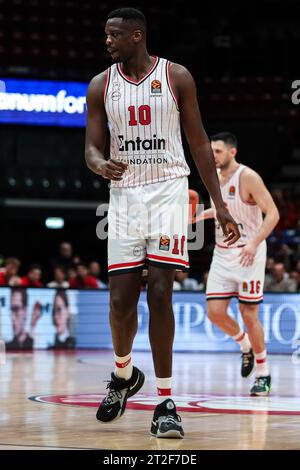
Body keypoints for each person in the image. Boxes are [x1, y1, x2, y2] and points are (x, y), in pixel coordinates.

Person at [85, 8, 240, 438]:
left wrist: (219, 203)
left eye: (114, 35)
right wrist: (101, 165)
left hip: (169, 191)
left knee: (159, 292)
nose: (108, 42)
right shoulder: (100, 85)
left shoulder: (177, 77)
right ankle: (123, 376)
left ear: (138, 35)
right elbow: (91, 149)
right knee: (119, 300)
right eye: (105, 35)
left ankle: (165, 401)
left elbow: (198, 142)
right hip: (124, 198)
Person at [197, 132, 279, 396]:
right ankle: (244, 345)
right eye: (212, 151)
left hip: (248, 252)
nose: (213, 156)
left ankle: (263, 373)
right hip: (222, 253)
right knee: (214, 312)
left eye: (218, 151)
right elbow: (224, 208)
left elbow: (273, 213)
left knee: (248, 314)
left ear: (232, 152)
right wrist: (198, 217)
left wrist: (254, 243)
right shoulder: (213, 178)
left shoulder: (248, 177)